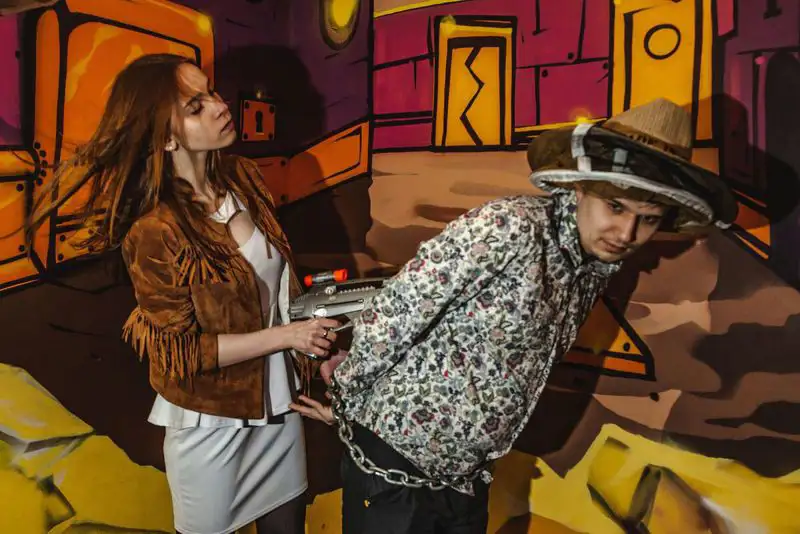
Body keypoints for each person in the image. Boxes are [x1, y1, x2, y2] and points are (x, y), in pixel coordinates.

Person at [290, 98, 738, 533]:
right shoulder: (511, 227)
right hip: (395, 469)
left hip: (466, 477)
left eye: (649, 219)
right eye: (616, 207)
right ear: (582, 186)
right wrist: (349, 402)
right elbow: (394, 310)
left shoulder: (593, 268)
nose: (626, 233)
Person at [25, 53, 341, 534]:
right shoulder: (155, 229)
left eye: (210, 92)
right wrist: (288, 337)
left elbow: (275, 290)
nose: (219, 105)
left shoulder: (243, 177)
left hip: (278, 409)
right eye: (196, 107)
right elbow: (183, 353)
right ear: (167, 138)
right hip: (210, 425)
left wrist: (310, 347)